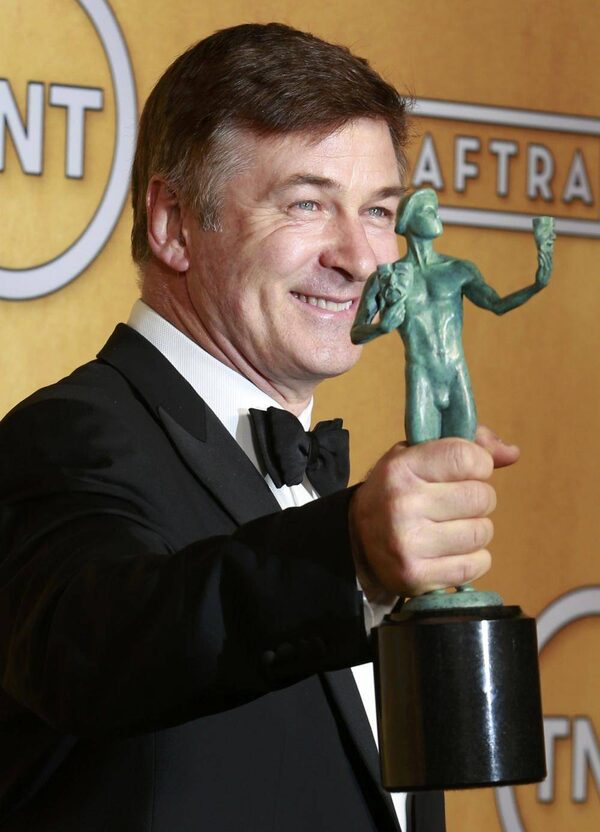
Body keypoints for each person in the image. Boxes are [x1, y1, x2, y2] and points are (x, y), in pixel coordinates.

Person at [0, 24, 518, 832]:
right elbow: (95, 649)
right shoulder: (66, 442)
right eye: (307, 204)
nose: (361, 257)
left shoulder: (323, 487)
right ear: (173, 222)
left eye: (378, 210)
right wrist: (350, 553)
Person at [351, 188, 554, 444]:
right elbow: (356, 333)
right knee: (423, 458)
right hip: (422, 378)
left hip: (457, 375)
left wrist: (536, 285)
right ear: (408, 221)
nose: (436, 216)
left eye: (436, 211)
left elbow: (497, 305)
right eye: (428, 211)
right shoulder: (388, 278)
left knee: (463, 456)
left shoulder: (459, 270)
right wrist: (381, 327)